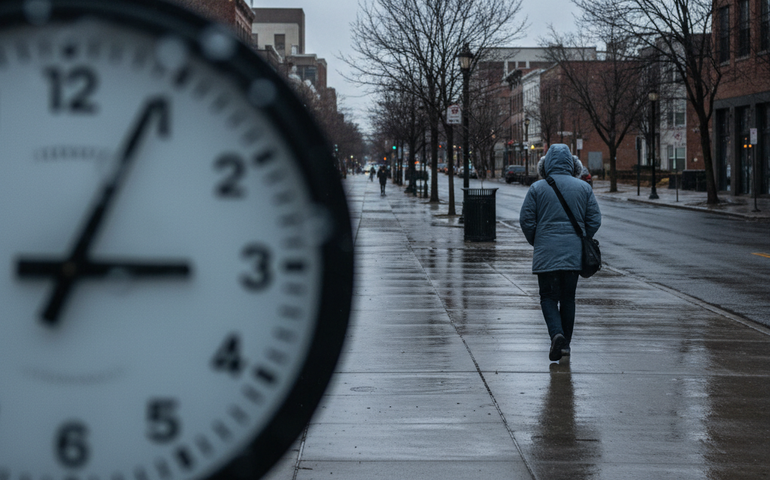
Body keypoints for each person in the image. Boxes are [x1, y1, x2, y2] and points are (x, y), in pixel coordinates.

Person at [519, 144, 601, 362]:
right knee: (568, 299)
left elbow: (526, 221)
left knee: (547, 297)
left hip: (546, 254)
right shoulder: (584, 188)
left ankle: (556, 335)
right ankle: (565, 346)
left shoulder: (537, 188)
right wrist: (582, 237)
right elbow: (595, 220)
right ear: (572, 165)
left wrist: (537, 240)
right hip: (573, 255)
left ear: (545, 165)